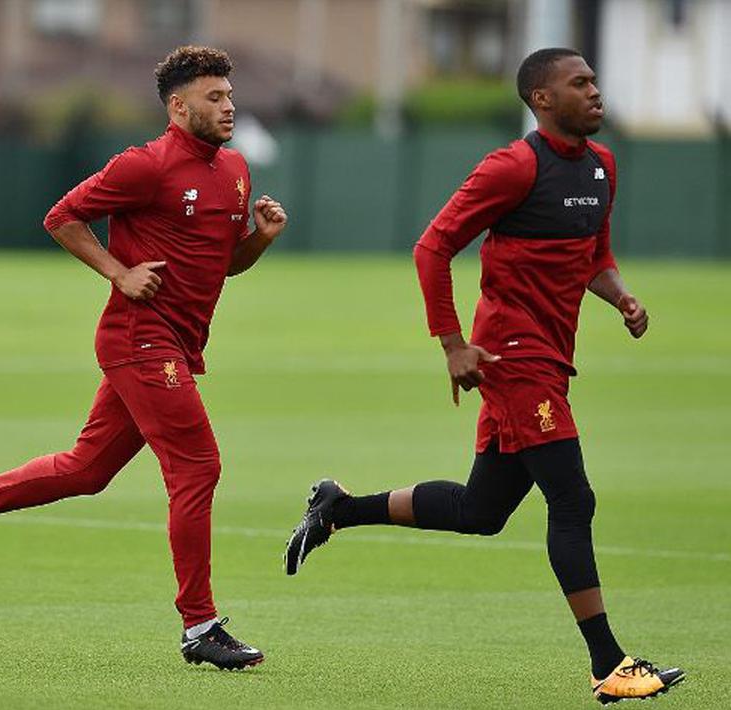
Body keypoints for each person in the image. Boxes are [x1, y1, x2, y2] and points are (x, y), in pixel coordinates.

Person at [283, 48, 684, 704]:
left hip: (551, 357)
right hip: (512, 359)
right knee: (572, 501)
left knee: (482, 511)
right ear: (541, 99)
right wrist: (451, 343)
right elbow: (432, 246)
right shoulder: (512, 167)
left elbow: (593, 256)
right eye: (577, 83)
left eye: (592, 81)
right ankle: (609, 664)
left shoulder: (603, 167)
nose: (594, 92)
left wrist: (621, 299)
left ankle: (338, 508)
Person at [0, 45, 287, 671]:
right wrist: (119, 271)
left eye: (229, 95)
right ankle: (200, 627)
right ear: (178, 105)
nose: (229, 106)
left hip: (175, 344)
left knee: (86, 470)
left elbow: (225, 264)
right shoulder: (145, 165)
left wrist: (259, 241)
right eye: (214, 97)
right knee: (198, 467)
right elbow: (61, 217)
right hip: (140, 338)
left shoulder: (236, 169)